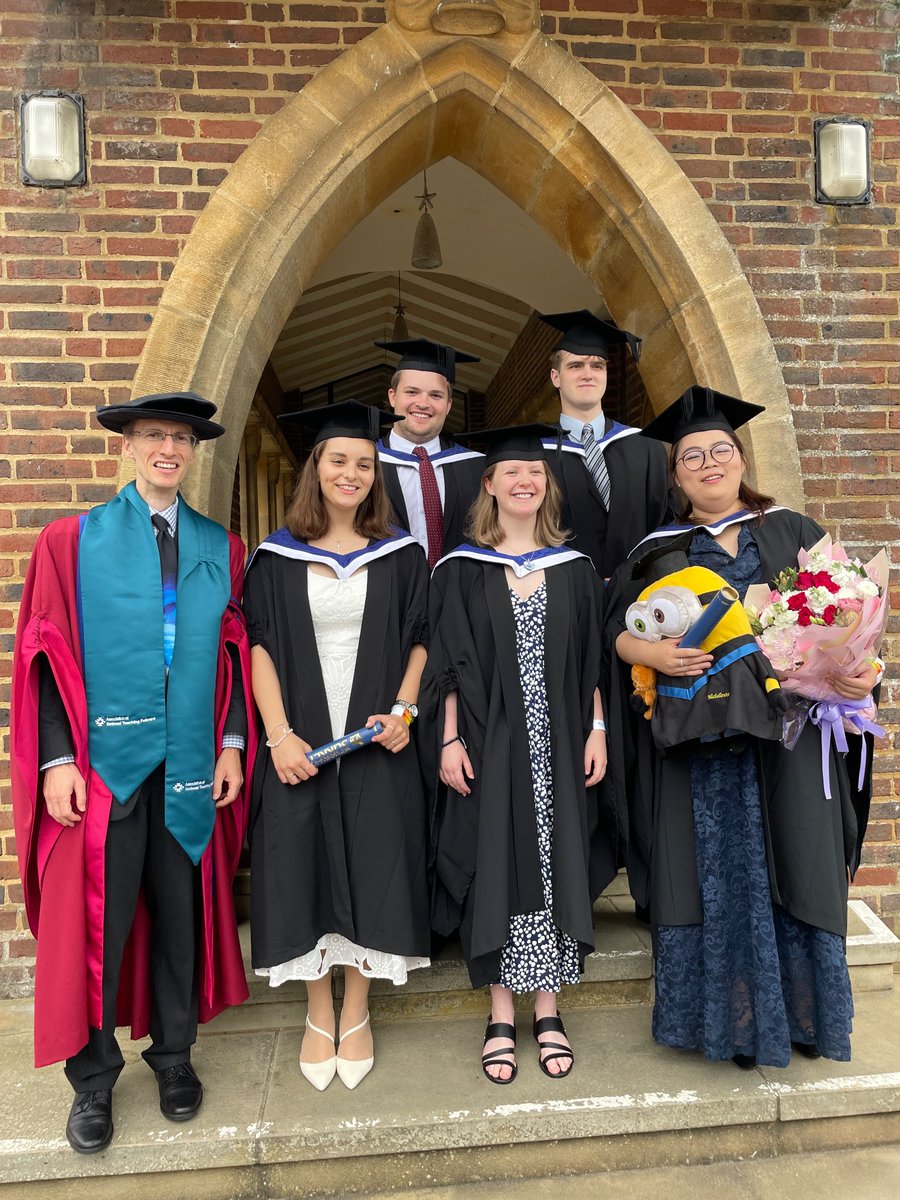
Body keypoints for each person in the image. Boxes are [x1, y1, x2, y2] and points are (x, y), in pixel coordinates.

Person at [10, 392, 254, 1154]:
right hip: (102, 770)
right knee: (99, 927)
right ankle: (92, 1082)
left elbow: (238, 658)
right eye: (154, 435)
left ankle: (175, 1058)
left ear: (193, 453)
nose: (168, 449)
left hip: (188, 765)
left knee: (181, 918)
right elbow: (45, 655)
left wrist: (235, 744)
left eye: (181, 439)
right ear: (128, 446)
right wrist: (55, 759)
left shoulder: (223, 546)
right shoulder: (70, 542)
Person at [606, 385, 878, 1068]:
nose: (707, 463)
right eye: (691, 456)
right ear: (675, 476)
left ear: (740, 458)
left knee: (796, 860)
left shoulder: (794, 531)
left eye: (719, 450)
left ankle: (802, 1021)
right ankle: (732, 1029)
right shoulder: (656, 552)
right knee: (716, 872)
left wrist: (862, 670)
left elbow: (853, 620)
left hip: (790, 735)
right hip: (702, 746)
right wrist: (651, 651)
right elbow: (615, 633)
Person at [243, 400, 431, 1091]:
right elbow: (257, 645)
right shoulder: (274, 556)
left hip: (377, 742)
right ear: (315, 470)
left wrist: (406, 709)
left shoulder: (404, 555)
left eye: (362, 463)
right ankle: (316, 1009)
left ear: (374, 475)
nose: (350, 473)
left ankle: (357, 1008)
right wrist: (278, 736)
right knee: (302, 869)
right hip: (298, 747)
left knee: (376, 862)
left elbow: (422, 637)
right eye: (337, 461)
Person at [425, 424, 611, 1084]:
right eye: (511, 473)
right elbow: (445, 663)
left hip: (559, 739)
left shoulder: (578, 570)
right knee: (492, 859)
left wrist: (597, 729)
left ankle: (549, 1008)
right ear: (490, 484)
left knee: (558, 857)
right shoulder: (461, 570)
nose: (524, 481)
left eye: (535, 473)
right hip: (487, 739)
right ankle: (501, 1013)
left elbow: (592, 661)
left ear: (546, 486)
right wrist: (448, 737)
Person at [538, 309, 670, 578]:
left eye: (597, 365)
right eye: (575, 366)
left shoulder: (645, 446)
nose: (588, 373)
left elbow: (665, 525)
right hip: (565, 596)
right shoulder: (535, 453)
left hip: (639, 598)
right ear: (556, 377)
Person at [374, 337, 485, 569]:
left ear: (449, 405)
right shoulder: (365, 465)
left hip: (458, 598)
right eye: (412, 392)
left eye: (435, 395)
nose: (423, 403)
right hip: (389, 599)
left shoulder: (477, 468)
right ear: (393, 397)